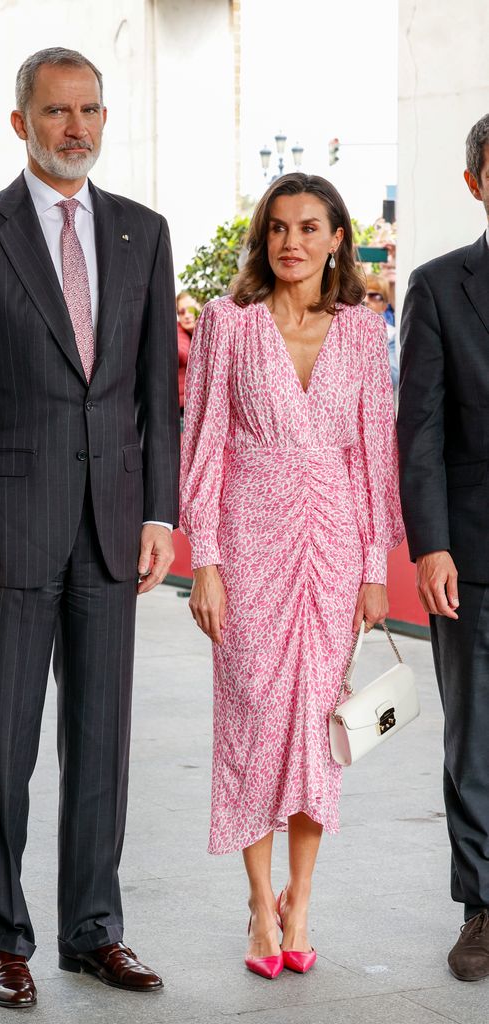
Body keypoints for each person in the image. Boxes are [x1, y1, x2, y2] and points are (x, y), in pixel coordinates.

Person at [0, 47, 179, 1009]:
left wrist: (159, 511)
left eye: (91, 111)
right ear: (19, 122)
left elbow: (156, 392)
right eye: (58, 112)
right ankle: (3, 939)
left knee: (101, 745)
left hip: (112, 531)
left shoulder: (141, 234)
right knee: (4, 750)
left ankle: (92, 932)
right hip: (6, 534)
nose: (77, 128)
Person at [180, 172, 403, 979]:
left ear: (338, 238)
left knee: (318, 732)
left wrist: (374, 568)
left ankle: (300, 904)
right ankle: (256, 904)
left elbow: (375, 457)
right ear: (262, 239)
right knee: (249, 721)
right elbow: (202, 448)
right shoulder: (226, 327)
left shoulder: (359, 332)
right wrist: (203, 559)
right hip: (247, 544)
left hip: (335, 550)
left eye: (310, 227)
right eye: (278, 228)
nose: (292, 243)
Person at [397, 112, 489, 983]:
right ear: (477, 182)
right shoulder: (437, 286)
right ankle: (483, 910)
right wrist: (431, 545)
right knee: (478, 738)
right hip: (477, 553)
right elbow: (417, 430)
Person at [363, 273, 398, 391]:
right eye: (361, 295)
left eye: (374, 296)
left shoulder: (390, 334)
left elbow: (393, 377)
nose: (366, 300)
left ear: (384, 306)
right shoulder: (344, 328)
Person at [176, 290, 200, 413]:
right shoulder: (178, 331)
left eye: (190, 309)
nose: (186, 315)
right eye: (181, 312)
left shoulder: (210, 329)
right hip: (183, 408)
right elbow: (182, 352)